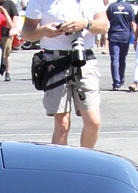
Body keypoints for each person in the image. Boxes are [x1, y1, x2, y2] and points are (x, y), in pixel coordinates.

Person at [24, 0, 110, 146]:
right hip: (54, 60)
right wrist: (43, 31)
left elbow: (104, 25)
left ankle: (84, 163)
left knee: (93, 122)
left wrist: (86, 24)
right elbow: (26, 32)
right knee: (62, 125)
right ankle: (61, 166)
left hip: (84, 59)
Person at [105, 0, 136, 90]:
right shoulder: (129, 7)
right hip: (125, 36)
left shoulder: (112, 7)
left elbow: (106, 21)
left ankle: (116, 82)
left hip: (114, 35)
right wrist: (135, 36)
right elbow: (133, 23)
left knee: (114, 59)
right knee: (122, 58)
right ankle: (121, 79)